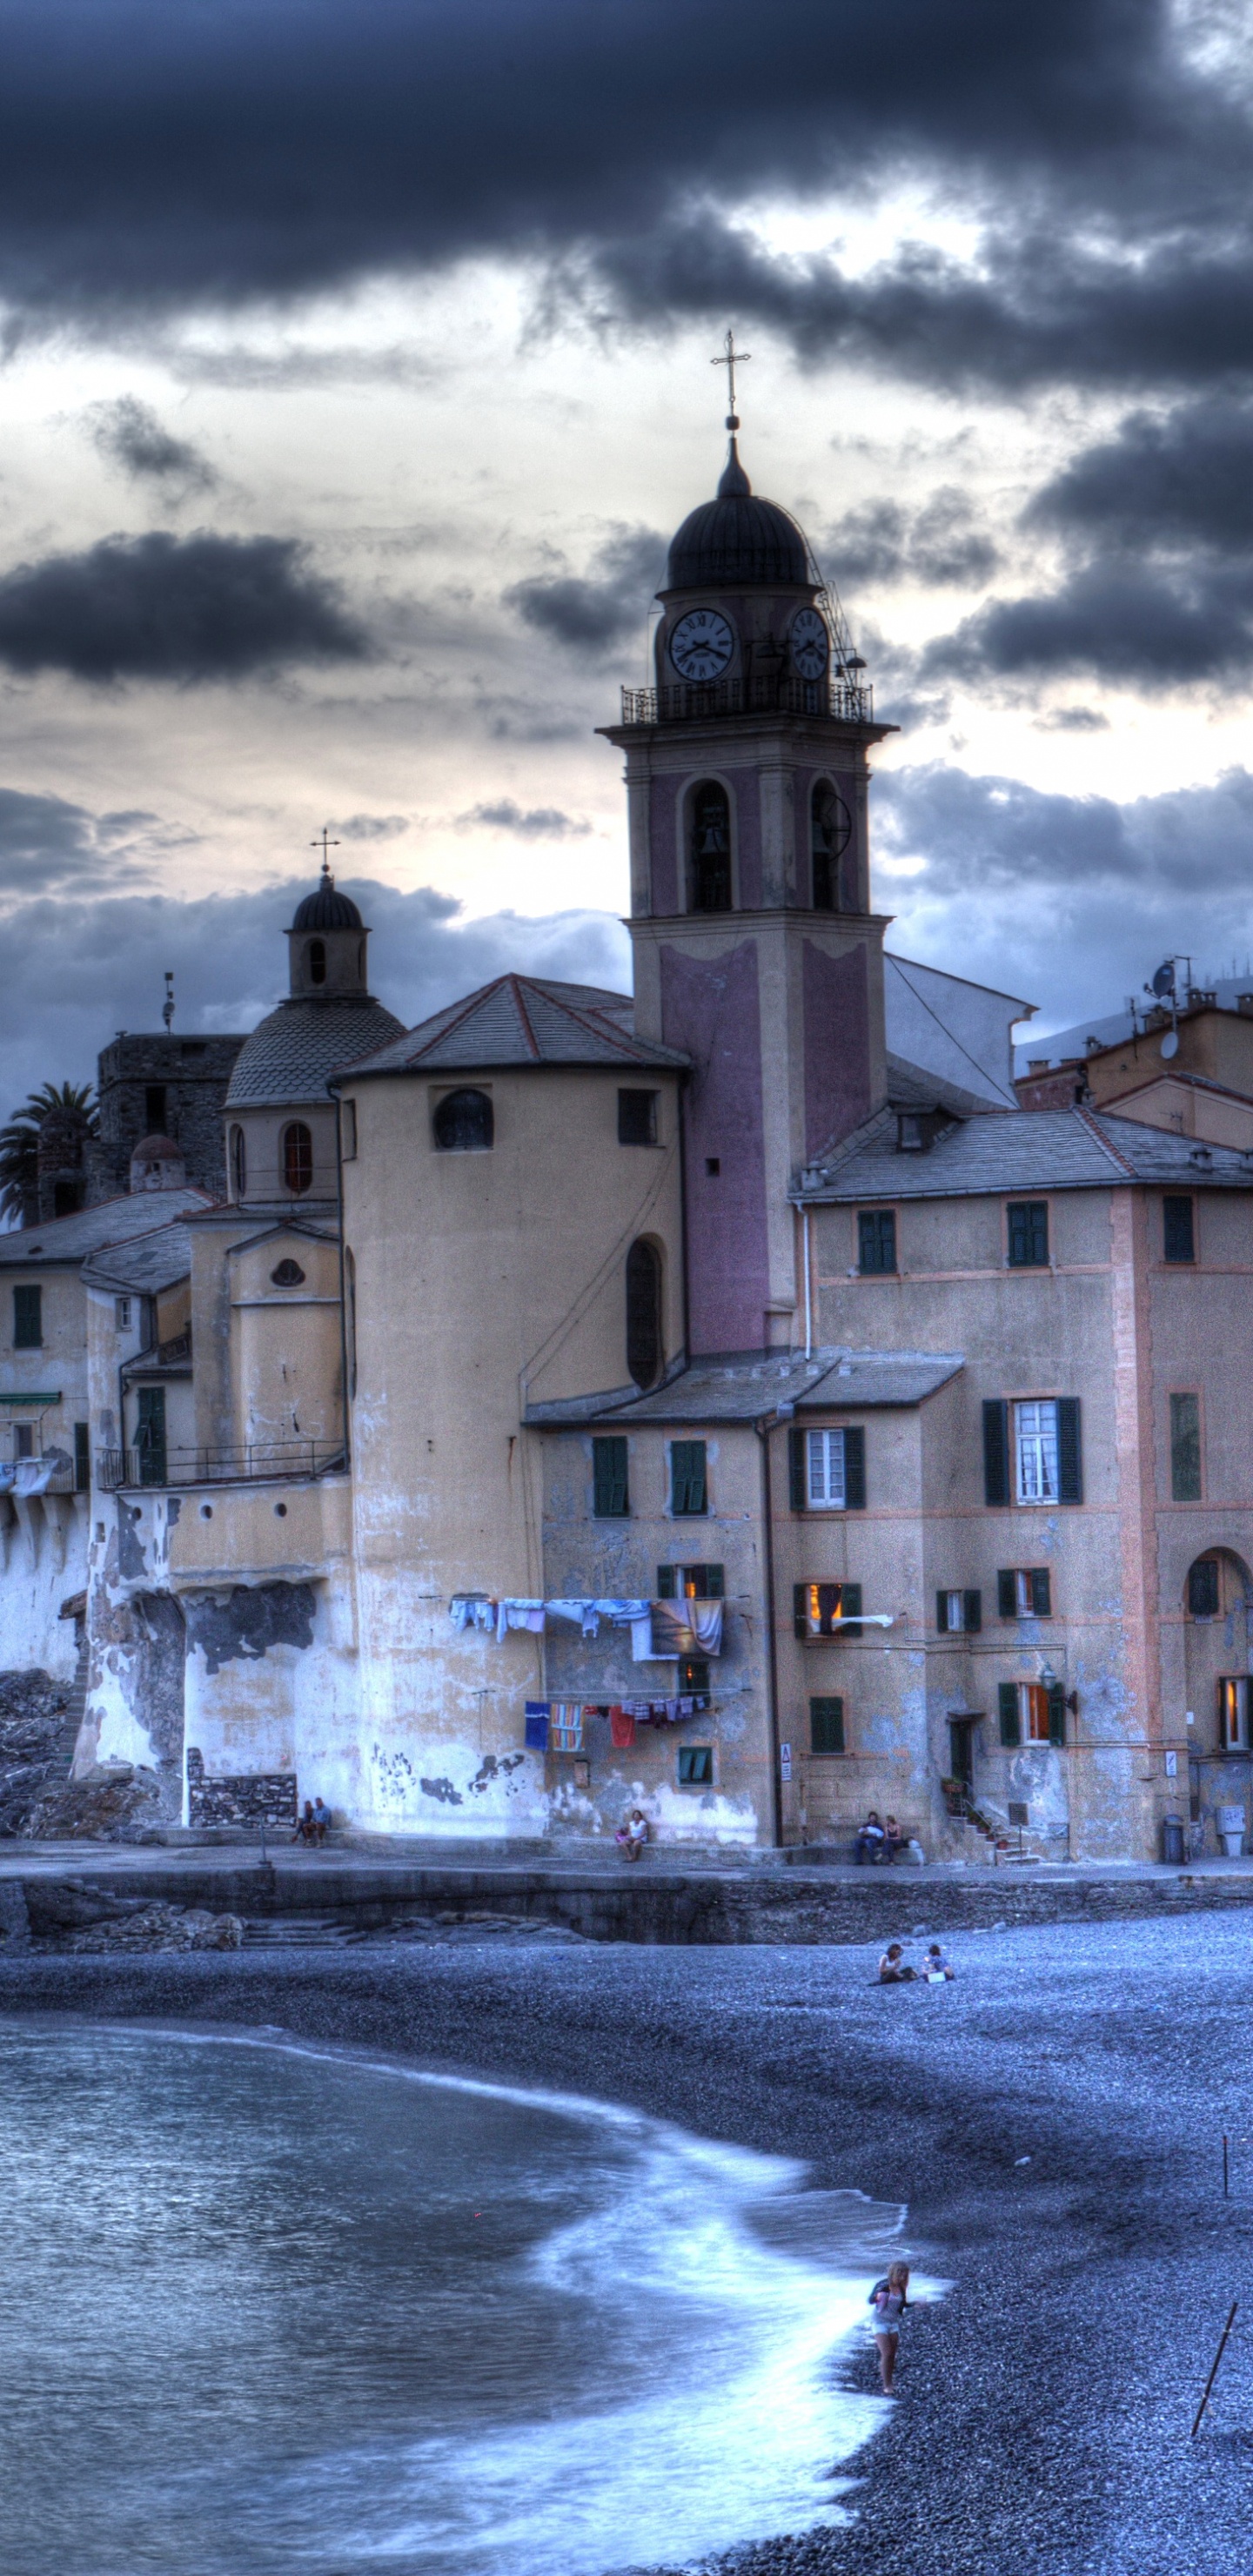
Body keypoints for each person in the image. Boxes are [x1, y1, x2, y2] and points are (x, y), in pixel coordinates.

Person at [868, 2261, 910, 2393]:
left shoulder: (901, 2288)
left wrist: (916, 2304)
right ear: (894, 2273)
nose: (903, 2277)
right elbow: (870, 2300)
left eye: (905, 2274)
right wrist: (876, 2297)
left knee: (892, 2354)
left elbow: (903, 2305)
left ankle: (890, 2382)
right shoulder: (883, 2285)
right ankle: (887, 2386)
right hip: (879, 2322)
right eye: (901, 2274)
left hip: (893, 2323)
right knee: (886, 2353)